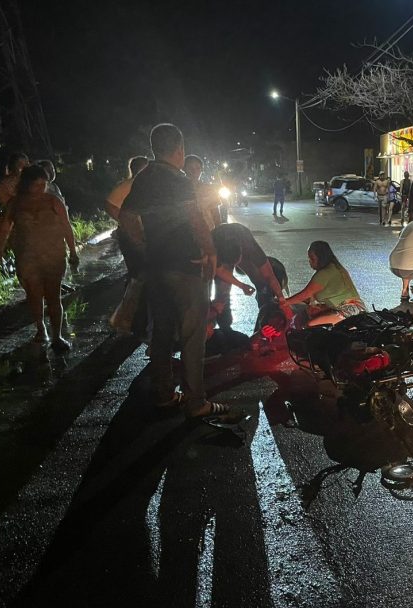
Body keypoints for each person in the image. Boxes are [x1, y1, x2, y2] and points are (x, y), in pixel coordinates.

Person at [120, 123, 238, 421]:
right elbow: (196, 218)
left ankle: (164, 395)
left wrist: (145, 249)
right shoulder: (180, 179)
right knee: (192, 335)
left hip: (157, 268)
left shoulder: (143, 177)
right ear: (179, 149)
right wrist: (210, 251)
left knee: (161, 331)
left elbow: (126, 216)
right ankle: (195, 402)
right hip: (186, 268)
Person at [0, 165, 77, 351]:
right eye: (36, 185)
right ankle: (41, 329)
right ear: (26, 184)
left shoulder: (53, 201)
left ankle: (57, 335)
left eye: (43, 185)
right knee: (34, 295)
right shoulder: (15, 204)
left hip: (53, 255)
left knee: (54, 296)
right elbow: (4, 229)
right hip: (27, 255)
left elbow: (66, 226)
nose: (41, 188)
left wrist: (73, 251)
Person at [211, 222, 290, 330]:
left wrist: (281, 299)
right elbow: (221, 271)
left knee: (263, 284)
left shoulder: (250, 248)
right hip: (219, 250)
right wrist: (241, 285)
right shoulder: (214, 247)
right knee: (222, 293)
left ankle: (265, 320)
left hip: (242, 243)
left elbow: (269, 276)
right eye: (231, 265)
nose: (234, 266)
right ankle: (225, 328)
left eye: (236, 262)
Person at [284, 241, 365, 326]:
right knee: (309, 312)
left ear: (321, 257)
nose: (310, 261)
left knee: (312, 324)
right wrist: (288, 301)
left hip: (350, 309)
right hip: (346, 307)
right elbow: (308, 298)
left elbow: (305, 294)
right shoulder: (333, 267)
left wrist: (284, 302)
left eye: (312, 258)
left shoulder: (326, 273)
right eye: (309, 258)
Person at [184, 154, 224, 230]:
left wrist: (218, 233)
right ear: (184, 169)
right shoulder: (178, 189)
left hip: (208, 232)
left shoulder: (209, 189)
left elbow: (216, 214)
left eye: (198, 168)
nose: (194, 171)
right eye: (190, 168)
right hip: (186, 234)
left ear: (201, 170)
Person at [105, 156, 150, 221]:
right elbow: (109, 204)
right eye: (146, 168)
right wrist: (125, 222)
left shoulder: (146, 184)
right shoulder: (130, 184)